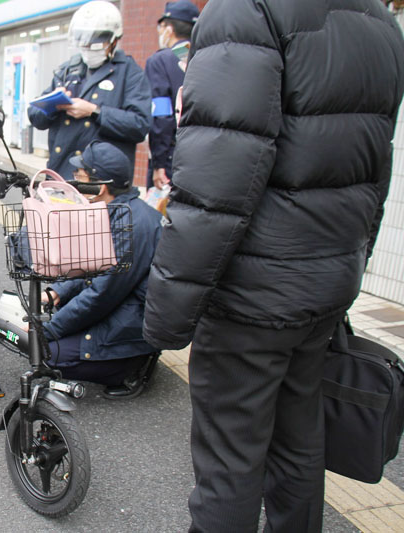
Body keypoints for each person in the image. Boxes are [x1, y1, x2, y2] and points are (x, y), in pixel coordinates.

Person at [142, 0, 404, 530]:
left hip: (251, 293)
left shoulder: (247, 9)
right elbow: (380, 166)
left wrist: (165, 317)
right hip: (324, 283)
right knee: (299, 445)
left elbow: (217, 179)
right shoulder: (379, 19)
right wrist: (352, 262)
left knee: (230, 465)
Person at [41, 141, 162, 400]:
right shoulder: (116, 209)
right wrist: (57, 292)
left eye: (80, 176)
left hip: (129, 325)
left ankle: (130, 368)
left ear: (101, 186)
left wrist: (49, 330)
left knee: (42, 353)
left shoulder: (133, 225)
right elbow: (91, 268)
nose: (75, 181)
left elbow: (101, 294)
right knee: (40, 334)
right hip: (122, 310)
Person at [26, 0, 151, 179]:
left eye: (96, 42)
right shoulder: (68, 70)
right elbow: (35, 116)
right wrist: (53, 105)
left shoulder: (130, 73)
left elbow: (139, 125)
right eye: (83, 41)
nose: (88, 48)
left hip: (102, 182)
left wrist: (94, 112)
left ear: (114, 40)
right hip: (62, 175)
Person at [145, 0, 198, 190]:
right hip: (203, 154)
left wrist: (159, 163)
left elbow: (161, 114)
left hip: (171, 156)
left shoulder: (161, 61)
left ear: (168, 29)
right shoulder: (207, 57)